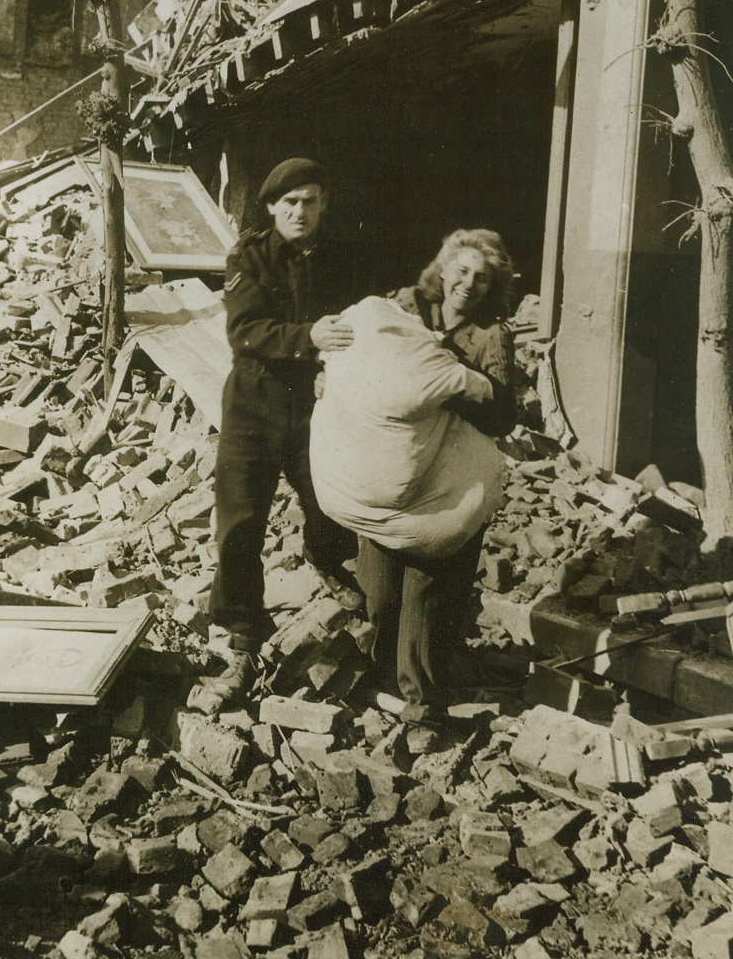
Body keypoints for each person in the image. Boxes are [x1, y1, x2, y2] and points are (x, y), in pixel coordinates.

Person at [198, 158, 362, 713]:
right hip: (252, 404)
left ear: (323, 206)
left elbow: (359, 319)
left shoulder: (339, 260)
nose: (300, 212)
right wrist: (309, 337)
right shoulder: (248, 256)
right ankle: (242, 640)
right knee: (241, 521)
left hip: (312, 407)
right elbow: (244, 331)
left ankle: (324, 556)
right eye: (289, 203)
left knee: (332, 501)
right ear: (271, 207)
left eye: (310, 201)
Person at [356, 228, 517, 755]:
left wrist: (447, 381)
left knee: (425, 596)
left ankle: (423, 708)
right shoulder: (404, 310)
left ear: (491, 287)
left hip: (450, 481)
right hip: (395, 474)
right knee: (380, 596)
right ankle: (383, 686)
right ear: (443, 270)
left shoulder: (491, 334)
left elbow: (501, 415)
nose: (469, 284)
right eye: (462, 270)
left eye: (482, 278)